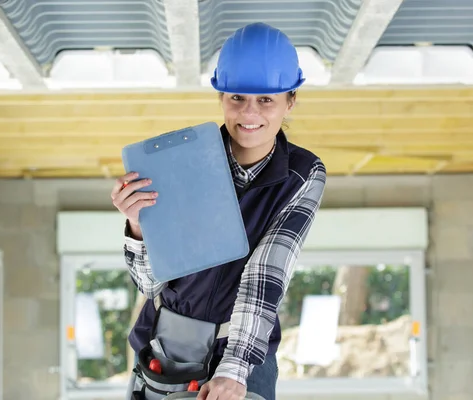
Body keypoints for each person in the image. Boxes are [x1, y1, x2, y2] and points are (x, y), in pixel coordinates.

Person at [111, 22, 326, 400]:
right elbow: (149, 284)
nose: (249, 113)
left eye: (266, 100)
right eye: (237, 97)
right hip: (167, 348)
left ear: (290, 101)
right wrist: (137, 225)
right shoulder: (183, 160)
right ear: (221, 96)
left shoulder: (302, 175)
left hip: (243, 352)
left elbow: (265, 274)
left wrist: (233, 369)